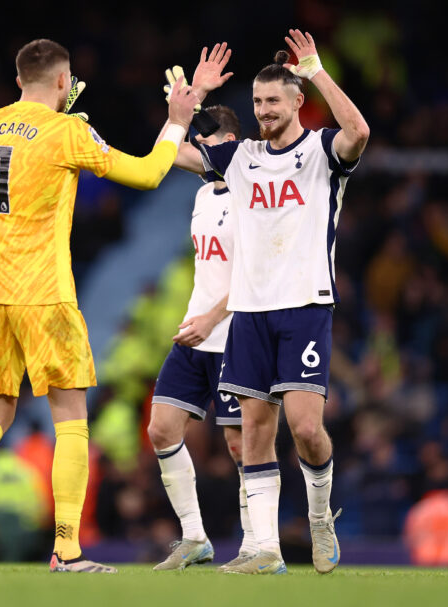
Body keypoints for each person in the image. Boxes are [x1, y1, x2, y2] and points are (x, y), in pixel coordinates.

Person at [0, 38, 200, 573]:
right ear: (65, 83)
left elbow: (23, 151)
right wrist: (177, 120)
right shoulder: (67, 130)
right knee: (71, 420)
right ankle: (67, 548)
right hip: (44, 292)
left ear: (18, 79)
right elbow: (146, 174)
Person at [175, 30, 370, 574]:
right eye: (258, 102)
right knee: (255, 433)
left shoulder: (321, 151)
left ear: (297, 102)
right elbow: (173, 154)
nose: (263, 111)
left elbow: (359, 131)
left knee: (307, 428)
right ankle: (263, 549)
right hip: (251, 311)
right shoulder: (240, 157)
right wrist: (190, 98)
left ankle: (319, 516)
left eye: (273, 102)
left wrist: (316, 70)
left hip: (306, 304)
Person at [148, 101, 272, 572]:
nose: (194, 154)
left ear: (228, 144)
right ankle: (194, 538)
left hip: (235, 334)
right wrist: (180, 109)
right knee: (161, 429)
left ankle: (255, 546)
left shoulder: (254, 193)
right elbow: (168, 151)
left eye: (203, 144)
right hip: (195, 334)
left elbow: (254, 272)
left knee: (242, 447)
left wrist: (212, 318)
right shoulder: (203, 197)